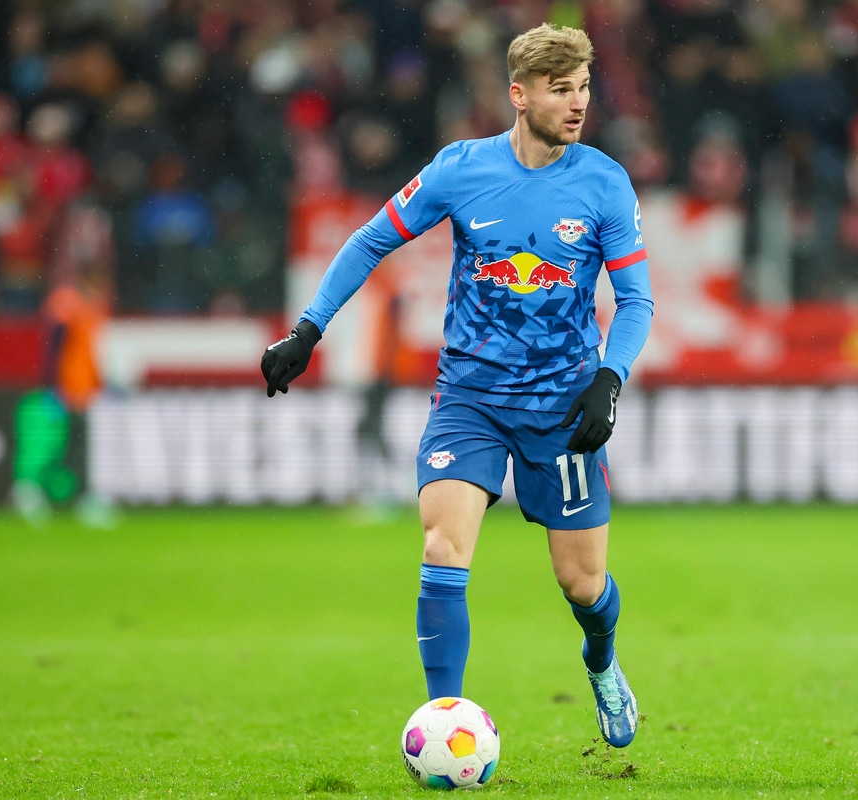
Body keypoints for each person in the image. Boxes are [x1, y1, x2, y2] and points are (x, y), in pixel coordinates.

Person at [261, 23, 653, 748]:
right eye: (561, 90)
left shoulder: (604, 183)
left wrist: (609, 378)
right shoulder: (461, 169)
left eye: (583, 89)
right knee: (443, 548)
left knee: (583, 585)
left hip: (562, 405)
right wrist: (309, 329)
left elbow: (636, 301)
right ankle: (445, 723)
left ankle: (601, 660)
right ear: (519, 95)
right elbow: (371, 239)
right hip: (469, 398)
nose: (578, 104)